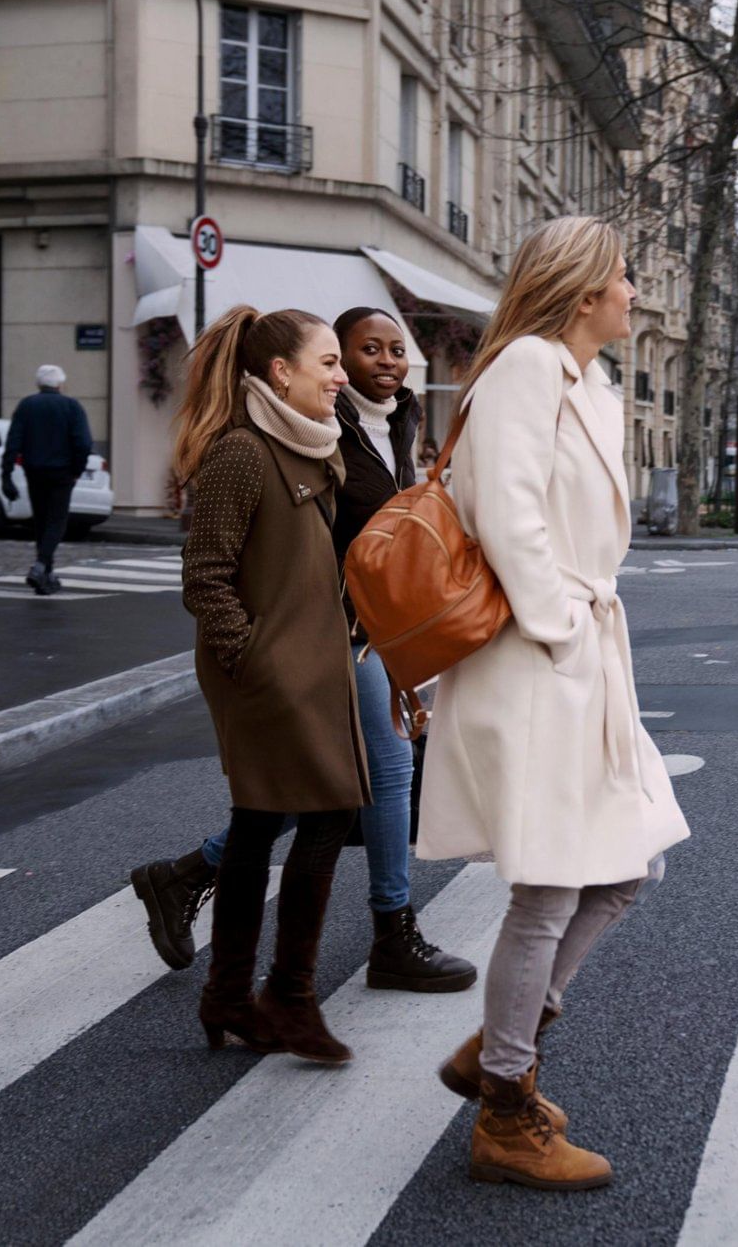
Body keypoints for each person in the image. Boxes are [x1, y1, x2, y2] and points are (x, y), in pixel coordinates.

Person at [423, 217, 690, 1191]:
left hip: (578, 657)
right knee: (550, 886)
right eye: (623, 278)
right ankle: (503, 1110)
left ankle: (499, 1049)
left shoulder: (589, 386)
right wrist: (560, 628)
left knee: (619, 868)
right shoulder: (527, 369)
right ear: (583, 293)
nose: (634, 292)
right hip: (538, 658)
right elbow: (505, 509)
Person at [129, 308, 475, 994]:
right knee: (368, 777)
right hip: (313, 637)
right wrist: (258, 659)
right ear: (312, 367)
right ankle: (386, 934)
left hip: (361, 629)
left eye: (395, 349)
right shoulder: (310, 433)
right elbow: (214, 571)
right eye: (354, 353)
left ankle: (190, 877)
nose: (377, 363)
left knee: (339, 787)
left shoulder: (398, 421)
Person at [169, 304, 368, 1063]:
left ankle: (228, 994)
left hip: (317, 670)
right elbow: (204, 577)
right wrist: (252, 657)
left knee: (258, 824)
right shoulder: (244, 453)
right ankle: (288, 996)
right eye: (328, 363)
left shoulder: (312, 448)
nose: (340, 376)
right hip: (272, 677)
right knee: (328, 812)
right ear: (279, 373)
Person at [1, 365, 93, 595]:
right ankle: (41, 566)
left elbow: (14, 441)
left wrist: (7, 473)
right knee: (56, 522)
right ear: (60, 384)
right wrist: (77, 470)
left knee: (41, 522)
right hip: (62, 472)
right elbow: (83, 442)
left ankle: (45, 575)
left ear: (39, 384)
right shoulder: (71, 406)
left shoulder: (27, 405)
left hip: (34, 471)